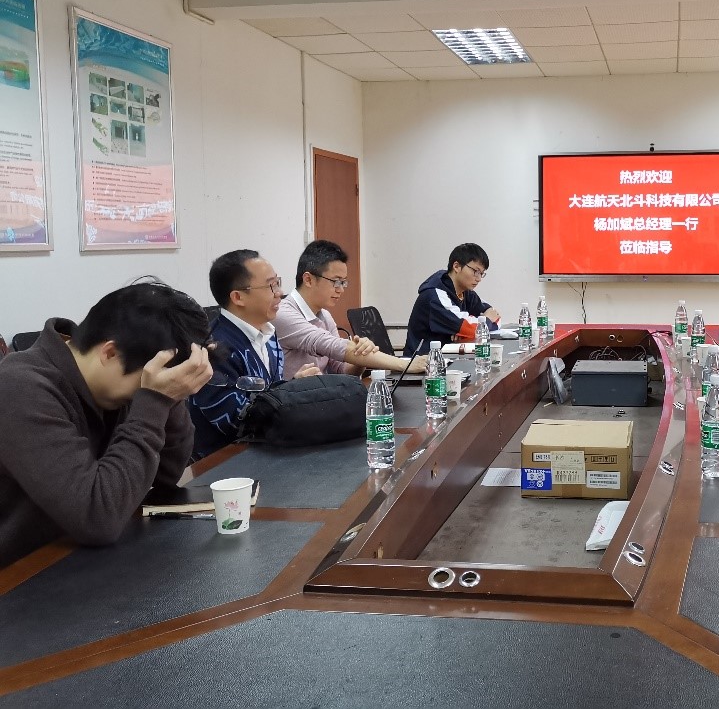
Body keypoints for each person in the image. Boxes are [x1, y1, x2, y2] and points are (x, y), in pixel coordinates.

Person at [0, 282, 213, 568]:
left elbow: (164, 477)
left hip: (81, 562)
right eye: (146, 382)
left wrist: (171, 397)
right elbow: (97, 517)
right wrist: (154, 400)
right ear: (110, 353)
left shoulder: (113, 383)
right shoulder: (19, 388)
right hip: (19, 577)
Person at [188, 250, 319, 459]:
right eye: (271, 286)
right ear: (238, 297)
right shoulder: (213, 349)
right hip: (224, 464)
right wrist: (292, 392)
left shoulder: (268, 332)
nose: (280, 292)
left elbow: (268, 397)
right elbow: (237, 423)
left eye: (277, 282)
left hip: (268, 451)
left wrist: (294, 386)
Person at [274, 239, 427, 376]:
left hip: (320, 394)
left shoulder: (324, 315)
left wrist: (361, 355)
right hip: (296, 397)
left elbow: (341, 369)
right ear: (308, 280)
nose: (341, 289)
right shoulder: (283, 313)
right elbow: (330, 345)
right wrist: (406, 365)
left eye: (343, 282)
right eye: (336, 282)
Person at [404, 242, 501, 356]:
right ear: (456, 266)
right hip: (423, 361)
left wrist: (465, 332)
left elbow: (495, 316)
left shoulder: (466, 292)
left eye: (482, 273)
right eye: (476, 271)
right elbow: (472, 327)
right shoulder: (434, 295)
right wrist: (471, 329)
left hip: (449, 357)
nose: (479, 278)